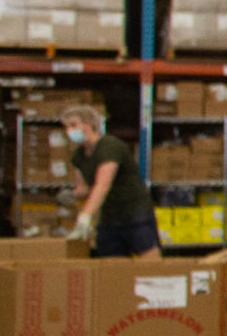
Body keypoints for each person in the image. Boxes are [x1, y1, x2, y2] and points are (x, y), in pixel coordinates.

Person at [61, 104, 160, 258]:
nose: (70, 131)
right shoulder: (79, 156)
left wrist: (85, 216)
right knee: (111, 268)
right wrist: (72, 195)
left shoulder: (109, 146)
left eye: (74, 125)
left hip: (134, 213)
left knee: (150, 265)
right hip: (109, 217)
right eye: (66, 127)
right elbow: (84, 188)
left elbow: (102, 185)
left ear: (89, 124)